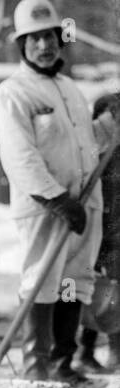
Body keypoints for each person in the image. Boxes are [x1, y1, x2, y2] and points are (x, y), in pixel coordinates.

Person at [0, 0, 101, 384]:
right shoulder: (13, 93)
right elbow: (20, 156)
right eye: (33, 38)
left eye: (49, 36)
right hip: (46, 208)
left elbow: (86, 143)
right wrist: (55, 198)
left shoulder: (70, 88)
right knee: (42, 281)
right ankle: (36, 369)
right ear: (22, 44)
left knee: (74, 282)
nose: (43, 45)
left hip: (84, 205)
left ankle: (61, 365)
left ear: (60, 37)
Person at [76, 93, 120, 372]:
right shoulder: (97, 153)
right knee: (100, 290)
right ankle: (100, 351)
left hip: (112, 226)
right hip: (101, 228)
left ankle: (88, 351)